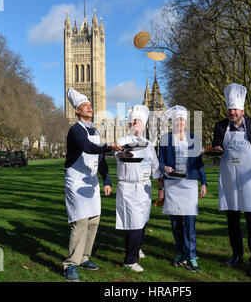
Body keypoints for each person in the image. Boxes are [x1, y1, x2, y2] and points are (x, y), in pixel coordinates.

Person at [212, 83, 251, 279]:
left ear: (242, 110)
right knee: (232, 219)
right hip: (230, 177)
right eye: (229, 109)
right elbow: (216, 146)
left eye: (235, 109)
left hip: (250, 178)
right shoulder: (220, 126)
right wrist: (215, 150)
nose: (232, 112)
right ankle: (236, 254)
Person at [63, 88, 122, 282]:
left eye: (90, 105)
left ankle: (84, 257)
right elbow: (88, 148)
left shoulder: (95, 130)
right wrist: (108, 147)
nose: (89, 107)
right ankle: (71, 264)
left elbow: (99, 158)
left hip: (92, 180)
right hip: (76, 179)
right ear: (77, 112)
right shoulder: (76, 130)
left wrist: (107, 180)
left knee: (93, 220)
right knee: (80, 221)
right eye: (84, 105)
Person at [157, 105, 207, 272]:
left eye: (182, 120)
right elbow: (161, 161)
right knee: (175, 222)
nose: (180, 123)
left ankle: (191, 256)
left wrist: (204, 182)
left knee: (190, 221)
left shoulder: (194, 139)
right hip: (172, 183)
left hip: (190, 184)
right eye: (177, 120)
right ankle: (180, 252)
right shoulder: (165, 139)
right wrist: (165, 168)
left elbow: (199, 163)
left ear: (186, 123)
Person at [115, 105, 163, 272]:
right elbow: (118, 153)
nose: (136, 123)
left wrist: (160, 186)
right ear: (129, 123)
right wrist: (122, 154)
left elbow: (155, 167)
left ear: (144, 125)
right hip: (128, 187)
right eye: (133, 120)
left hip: (144, 187)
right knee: (133, 222)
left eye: (139, 121)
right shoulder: (122, 141)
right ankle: (130, 260)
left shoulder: (149, 144)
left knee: (142, 220)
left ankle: (137, 248)